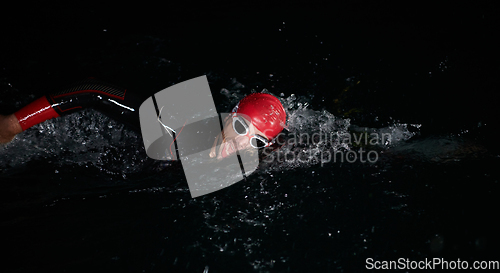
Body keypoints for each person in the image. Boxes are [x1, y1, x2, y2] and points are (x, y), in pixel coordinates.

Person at [0, 78, 287, 160]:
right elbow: (94, 91)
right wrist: (13, 124)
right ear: (230, 114)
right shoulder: (176, 126)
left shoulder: (258, 160)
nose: (240, 143)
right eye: (240, 127)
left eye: (257, 141)